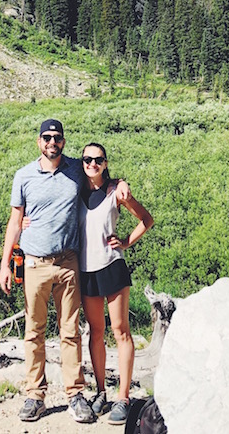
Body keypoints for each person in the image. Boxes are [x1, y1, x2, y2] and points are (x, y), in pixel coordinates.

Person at [0, 119, 130, 424]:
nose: (52, 142)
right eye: (47, 137)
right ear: (38, 141)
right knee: (34, 331)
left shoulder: (75, 169)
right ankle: (35, 395)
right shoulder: (24, 176)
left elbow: (100, 176)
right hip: (34, 263)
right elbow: (15, 221)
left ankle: (75, 394)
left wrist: (121, 182)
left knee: (70, 331)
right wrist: (6, 263)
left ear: (63, 142)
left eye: (57, 138)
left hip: (69, 263)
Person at [78, 142, 153, 425]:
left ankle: (122, 396)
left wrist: (126, 242)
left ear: (106, 163)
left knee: (121, 331)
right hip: (86, 270)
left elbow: (146, 219)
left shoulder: (115, 192)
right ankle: (100, 392)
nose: (92, 164)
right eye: (87, 159)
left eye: (98, 160)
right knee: (96, 332)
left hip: (112, 266)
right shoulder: (76, 190)